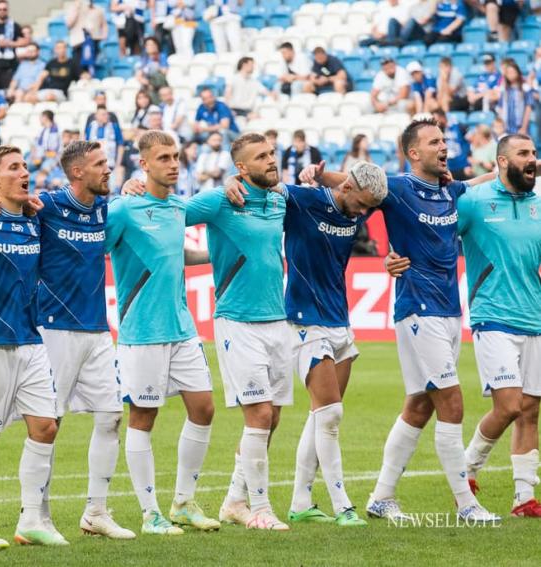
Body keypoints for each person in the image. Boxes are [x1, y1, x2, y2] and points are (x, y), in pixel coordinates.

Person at [302, 119, 500, 523]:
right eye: (434, 142)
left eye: (444, 140)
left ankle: (381, 496)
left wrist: (512, 167)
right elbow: (357, 184)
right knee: (452, 402)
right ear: (413, 153)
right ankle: (466, 504)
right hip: (417, 309)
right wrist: (320, 175)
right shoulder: (400, 189)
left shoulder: (450, 190)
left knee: (419, 406)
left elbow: (487, 179)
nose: (444, 146)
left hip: (447, 310)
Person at [0, 140, 137, 539]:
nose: (109, 169)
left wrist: (135, 185)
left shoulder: (105, 207)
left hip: (98, 328)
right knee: (49, 423)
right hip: (53, 328)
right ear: (77, 172)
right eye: (100, 164)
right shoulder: (45, 207)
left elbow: (132, 201)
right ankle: (36, 516)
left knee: (111, 415)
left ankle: (96, 512)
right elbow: (7, 207)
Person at [223, 152, 389, 529]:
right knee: (331, 414)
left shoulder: (354, 202)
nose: (363, 215)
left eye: (369, 209)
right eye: (362, 205)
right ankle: (342, 504)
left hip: (340, 322)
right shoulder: (305, 199)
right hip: (303, 320)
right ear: (347, 188)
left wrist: (324, 172)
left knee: (320, 417)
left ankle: (299, 501)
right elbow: (262, 185)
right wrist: (231, 181)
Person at [106, 130, 219, 536]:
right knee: (143, 416)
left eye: (176, 156)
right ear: (144, 164)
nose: (174, 164)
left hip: (182, 327)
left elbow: (174, 253)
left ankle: (184, 503)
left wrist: (211, 257)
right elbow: (93, 246)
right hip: (142, 332)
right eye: (165, 158)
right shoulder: (123, 208)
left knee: (203, 408)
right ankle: (150, 512)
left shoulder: (177, 207)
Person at [0, 145, 63, 546]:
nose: (25, 172)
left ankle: (30, 520)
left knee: (45, 426)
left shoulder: (36, 221)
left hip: (30, 339)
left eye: (25, 166)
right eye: (14, 168)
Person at [187, 133, 292, 530]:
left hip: (277, 319)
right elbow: (166, 212)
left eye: (271, 153)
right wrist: (134, 188)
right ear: (241, 169)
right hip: (237, 320)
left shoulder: (281, 199)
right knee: (259, 413)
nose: (271, 160)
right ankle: (261, 509)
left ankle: (234, 500)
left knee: (273, 417)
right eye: (261, 157)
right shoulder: (220, 200)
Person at [457, 134, 541, 517]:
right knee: (508, 405)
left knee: (530, 411)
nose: (533, 160)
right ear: (502, 161)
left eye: (534, 153)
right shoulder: (474, 202)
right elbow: (435, 238)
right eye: (524, 154)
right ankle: (467, 469)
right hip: (493, 318)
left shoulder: (539, 204)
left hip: (534, 318)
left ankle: (524, 498)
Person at [66, 0, 107, 75]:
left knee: (90, 68)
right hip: (78, 43)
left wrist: (103, 36)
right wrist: (77, 9)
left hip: (93, 42)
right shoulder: (73, 8)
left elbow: (104, 24)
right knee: (79, 69)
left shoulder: (98, 9)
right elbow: (69, 24)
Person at [497, 60, 532, 136]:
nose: (510, 74)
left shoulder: (524, 88)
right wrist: (501, 126)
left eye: (513, 71)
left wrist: (523, 128)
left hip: (520, 128)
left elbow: (528, 109)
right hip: (507, 128)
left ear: (518, 72)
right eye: (508, 73)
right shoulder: (505, 90)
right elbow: (500, 109)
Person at [86, 105, 124, 173]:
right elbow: (87, 146)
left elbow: (120, 145)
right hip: (95, 163)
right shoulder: (91, 127)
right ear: (96, 116)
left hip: (111, 163)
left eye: (107, 114)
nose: (106, 116)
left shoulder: (114, 126)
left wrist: (118, 163)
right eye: (103, 114)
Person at [134, 37, 168, 102]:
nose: (150, 47)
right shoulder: (144, 59)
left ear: (157, 46)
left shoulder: (162, 56)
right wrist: (149, 84)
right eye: (148, 45)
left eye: (152, 44)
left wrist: (156, 62)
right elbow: (139, 76)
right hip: (148, 86)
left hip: (159, 85)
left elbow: (164, 71)